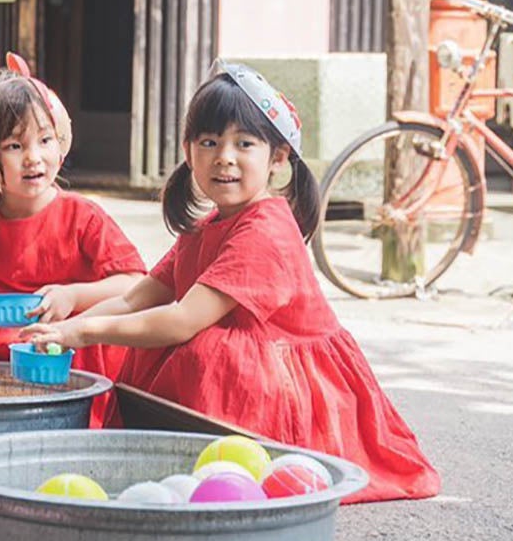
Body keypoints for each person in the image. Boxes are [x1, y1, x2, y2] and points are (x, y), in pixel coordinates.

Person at [23, 62, 440, 502]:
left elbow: (183, 319)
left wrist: (82, 330)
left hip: (287, 386)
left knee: (204, 349)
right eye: (210, 142)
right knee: (160, 341)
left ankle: (214, 464)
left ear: (277, 157)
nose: (225, 156)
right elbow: (132, 301)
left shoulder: (265, 229)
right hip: (250, 369)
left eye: (244, 143)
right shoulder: (206, 226)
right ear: (189, 151)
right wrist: (64, 328)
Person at [0, 55, 145, 425]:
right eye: (15, 146)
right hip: (2, 349)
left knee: (96, 316)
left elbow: (134, 283)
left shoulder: (82, 217)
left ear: (60, 144)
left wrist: (72, 297)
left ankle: (80, 418)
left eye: (45, 140)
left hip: (66, 348)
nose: (34, 158)